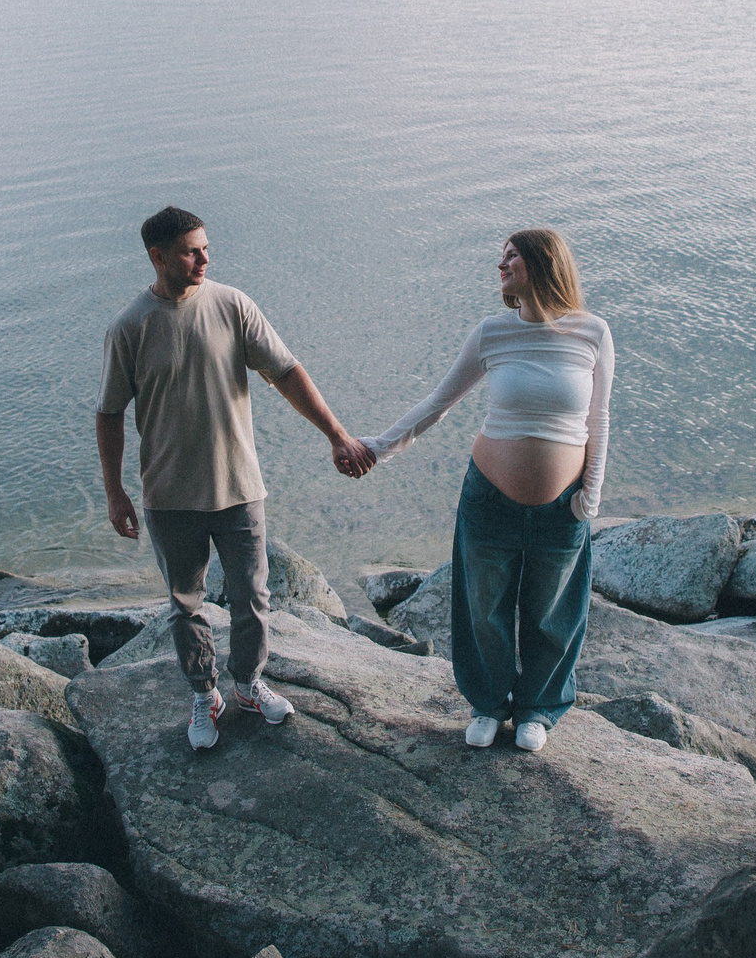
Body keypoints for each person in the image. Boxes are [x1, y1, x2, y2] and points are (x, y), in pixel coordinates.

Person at [98, 206, 377, 751]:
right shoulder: (130, 326)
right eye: (191, 251)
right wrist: (115, 492)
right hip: (169, 494)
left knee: (252, 596)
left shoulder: (232, 305)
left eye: (205, 247)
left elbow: (286, 372)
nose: (204, 258)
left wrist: (337, 435)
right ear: (158, 257)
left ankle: (248, 684)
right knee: (186, 605)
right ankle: (205, 693)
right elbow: (109, 413)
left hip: (239, 486)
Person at [361, 228, 612, 752]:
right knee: (483, 608)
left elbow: (599, 419)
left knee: (552, 613)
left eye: (511, 256)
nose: (501, 265)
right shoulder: (492, 333)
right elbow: (438, 403)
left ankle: (538, 709)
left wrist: (590, 494)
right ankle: (489, 704)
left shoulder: (592, 332)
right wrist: (377, 448)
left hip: (562, 506)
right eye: (502, 257)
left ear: (542, 262)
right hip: (489, 500)